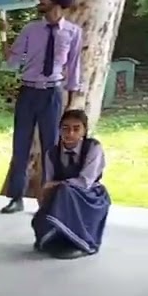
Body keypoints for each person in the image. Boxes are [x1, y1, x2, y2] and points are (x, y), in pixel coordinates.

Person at [0, 0, 83, 214]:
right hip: (28, 91)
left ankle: (48, 197)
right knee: (21, 145)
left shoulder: (73, 33)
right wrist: (3, 36)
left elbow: (74, 66)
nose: (40, 0)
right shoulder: (30, 30)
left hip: (53, 93)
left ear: (56, 1)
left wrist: (73, 99)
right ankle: (16, 197)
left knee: (51, 147)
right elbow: (12, 62)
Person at [32, 109, 111, 259]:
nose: (70, 133)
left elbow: (85, 181)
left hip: (89, 197)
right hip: (61, 196)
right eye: (65, 128)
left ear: (84, 130)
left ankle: (78, 242)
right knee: (41, 219)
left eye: (76, 129)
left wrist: (58, 185)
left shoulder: (93, 148)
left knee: (64, 191)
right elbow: (49, 182)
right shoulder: (52, 153)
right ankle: (57, 237)